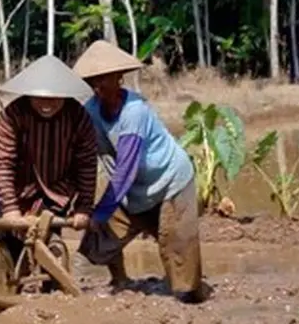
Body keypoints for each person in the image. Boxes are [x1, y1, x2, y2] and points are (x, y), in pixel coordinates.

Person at [69, 40, 207, 305]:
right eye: (92, 81)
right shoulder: (90, 111)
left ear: (118, 78)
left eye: (104, 79)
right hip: (133, 191)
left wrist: (99, 212)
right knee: (97, 243)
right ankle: (120, 280)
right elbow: (83, 155)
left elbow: (125, 170)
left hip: (169, 182)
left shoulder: (134, 111)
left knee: (178, 253)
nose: (98, 86)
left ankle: (189, 303)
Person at [0, 54, 99, 268]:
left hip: (56, 188)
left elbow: (87, 164)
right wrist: (10, 209)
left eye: (54, 98)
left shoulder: (78, 117)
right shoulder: (13, 115)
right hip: (17, 185)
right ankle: (3, 281)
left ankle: (52, 289)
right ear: (29, 94)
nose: (47, 104)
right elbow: (3, 163)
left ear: (64, 95)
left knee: (50, 240)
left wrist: (84, 208)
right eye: (40, 98)